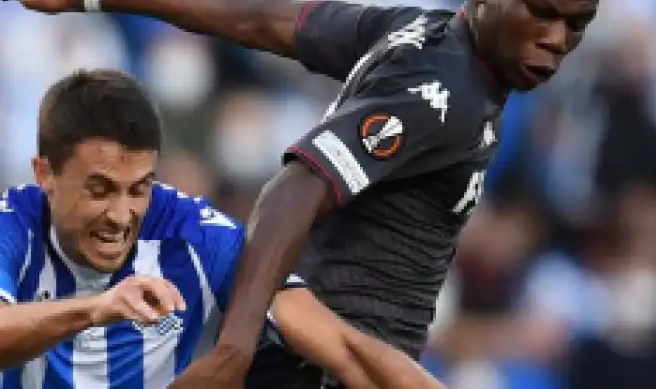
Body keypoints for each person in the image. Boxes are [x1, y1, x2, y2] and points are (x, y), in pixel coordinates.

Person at [0, 0, 625, 388]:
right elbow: (294, 188)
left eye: (577, 23)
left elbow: (257, 18)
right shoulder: (441, 94)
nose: (556, 39)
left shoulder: (417, 34)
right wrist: (235, 349)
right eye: (541, 11)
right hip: (318, 369)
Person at [0, 69, 444, 389]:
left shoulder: (198, 237)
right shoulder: (12, 224)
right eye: (99, 190)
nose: (120, 215)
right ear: (45, 174)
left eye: (139, 189)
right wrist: (97, 308)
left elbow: (346, 351)